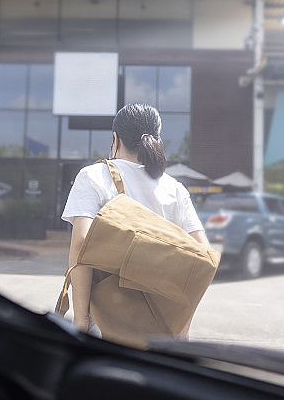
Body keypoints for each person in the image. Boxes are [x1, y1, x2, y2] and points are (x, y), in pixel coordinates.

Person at [61, 103, 209, 335]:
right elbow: (203, 257)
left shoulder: (94, 176)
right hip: (161, 327)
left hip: (106, 322)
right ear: (157, 141)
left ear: (116, 139)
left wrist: (80, 319)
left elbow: (81, 244)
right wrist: (181, 328)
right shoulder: (175, 188)